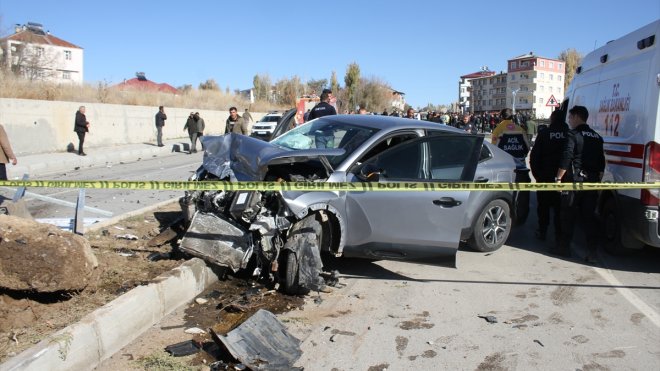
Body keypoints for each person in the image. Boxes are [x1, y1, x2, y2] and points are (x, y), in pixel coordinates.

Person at [554, 106, 606, 262]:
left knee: (568, 215)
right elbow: (601, 164)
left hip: (575, 181)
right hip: (592, 182)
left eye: (570, 117)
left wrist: (558, 179)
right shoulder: (597, 137)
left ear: (577, 117)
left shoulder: (573, 135)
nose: (569, 121)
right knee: (589, 217)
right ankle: (592, 252)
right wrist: (597, 183)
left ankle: (564, 248)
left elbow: (567, 156)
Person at [529, 110, 568, 242]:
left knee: (543, 206)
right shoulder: (570, 134)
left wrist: (537, 175)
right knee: (560, 209)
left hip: (545, 176)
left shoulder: (544, 133)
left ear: (552, 118)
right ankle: (559, 237)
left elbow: (534, 157)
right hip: (564, 179)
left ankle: (543, 231)